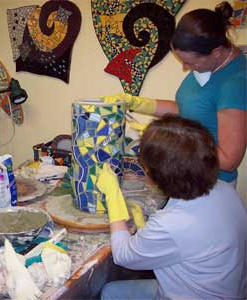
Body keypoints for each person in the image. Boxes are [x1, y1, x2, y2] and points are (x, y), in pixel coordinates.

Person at [97, 114, 247, 299]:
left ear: (161, 175)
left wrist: (113, 195)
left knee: (110, 293)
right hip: (224, 289)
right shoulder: (225, 191)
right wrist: (147, 230)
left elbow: (122, 255)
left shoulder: (172, 223)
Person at [105, 1, 246, 186]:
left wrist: (175, 142)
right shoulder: (208, 67)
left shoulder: (235, 84)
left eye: (191, 63)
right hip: (185, 175)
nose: (185, 68)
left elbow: (229, 161)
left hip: (210, 184)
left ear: (216, 52)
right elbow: (187, 109)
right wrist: (137, 103)